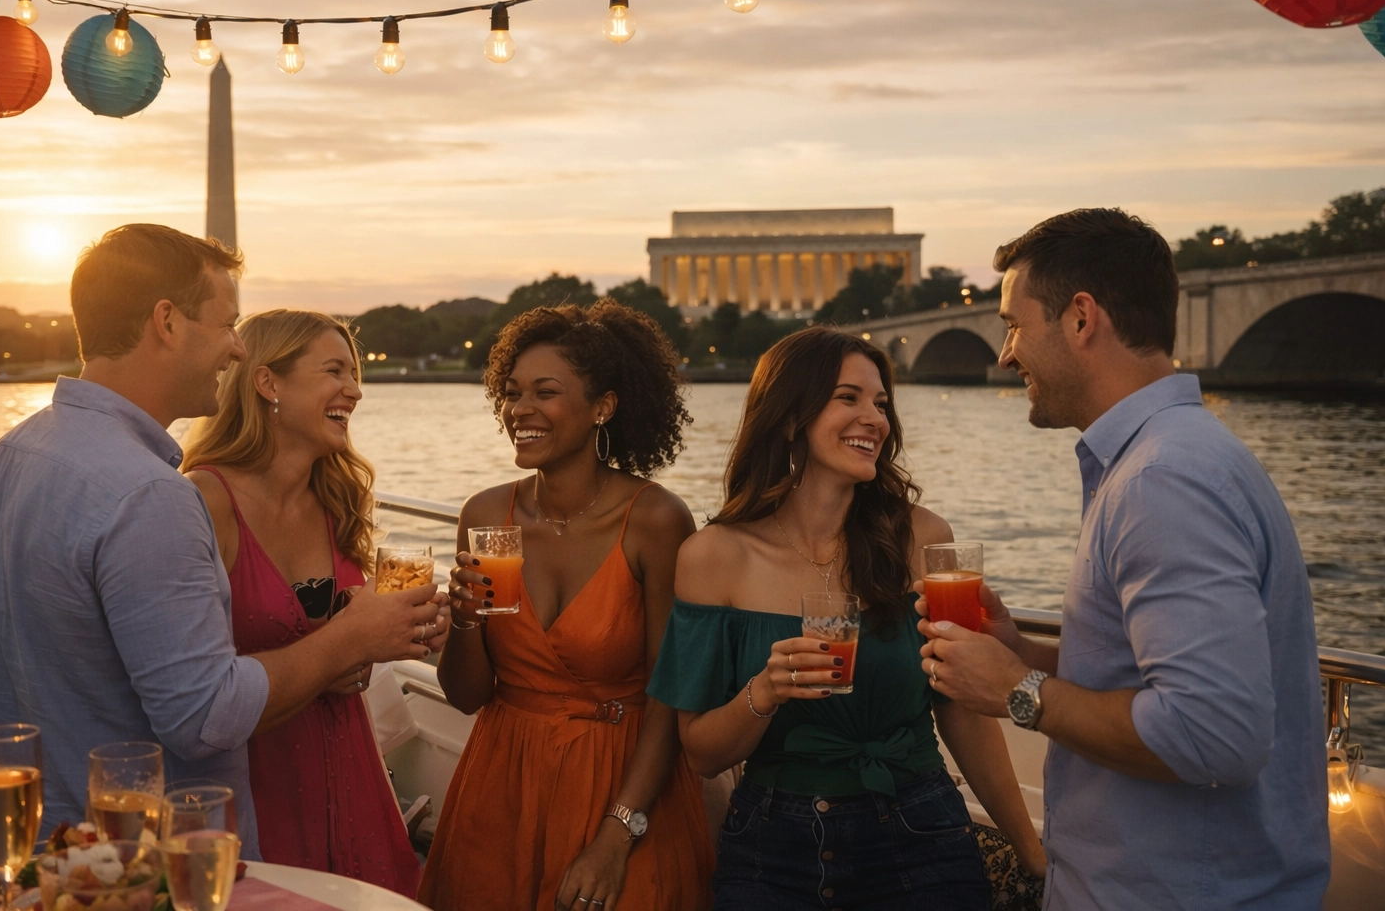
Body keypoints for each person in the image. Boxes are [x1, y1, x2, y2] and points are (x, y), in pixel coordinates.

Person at [0, 225, 442, 857]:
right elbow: (205, 717)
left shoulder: (9, 456)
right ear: (167, 322)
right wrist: (353, 637)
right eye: (226, 325)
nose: (237, 350)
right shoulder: (151, 494)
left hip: (40, 849)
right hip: (144, 862)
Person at [918, 208, 1331, 909]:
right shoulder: (1173, 458)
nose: (1005, 355)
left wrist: (1020, 692)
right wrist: (1030, 654)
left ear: (1082, 319)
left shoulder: (1161, 480)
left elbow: (1213, 737)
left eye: (1013, 324)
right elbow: (1154, 677)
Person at [649, 327, 1044, 911]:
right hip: (772, 850)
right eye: (848, 398)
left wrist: (1033, 856)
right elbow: (702, 753)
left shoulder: (923, 539)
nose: (875, 419)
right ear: (789, 417)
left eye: (881, 403)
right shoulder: (713, 556)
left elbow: (959, 707)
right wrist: (766, 689)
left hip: (923, 834)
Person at [420, 300, 715, 911]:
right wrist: (467, 623)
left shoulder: (656, 522)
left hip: (625, 784)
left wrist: (616, 835)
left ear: (602, 406)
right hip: (501, 786)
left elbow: (671, 696)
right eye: (511, 392)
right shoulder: (484, 515)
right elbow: (468, 695)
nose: (519, 410)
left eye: (544, 392)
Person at [181, 309, 443, 896]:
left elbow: (353, 646)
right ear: (268, 382)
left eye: (355, 374)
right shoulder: (203, 501)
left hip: (351, 771)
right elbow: (191, 683)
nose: (354, 389)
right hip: (257, 784)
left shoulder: (338, 501)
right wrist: (342, 647)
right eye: (334, 371)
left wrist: (410, 628)